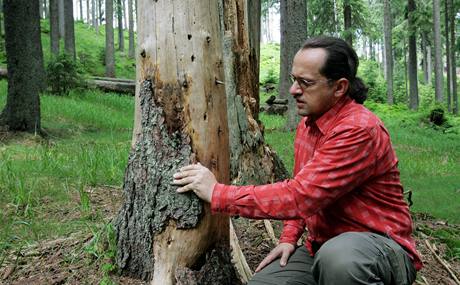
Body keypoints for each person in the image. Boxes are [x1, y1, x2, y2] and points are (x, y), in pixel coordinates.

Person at [172, 36, 421, 285]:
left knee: (340, 261)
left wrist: (218, 193)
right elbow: (306, 193)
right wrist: (289, 237)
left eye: (306, 83)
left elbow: (299, 196)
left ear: (339, 87)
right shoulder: (309, 124)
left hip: (379, 250)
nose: (293, 90)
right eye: (294, 79)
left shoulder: (358, 130)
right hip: (322, 250)